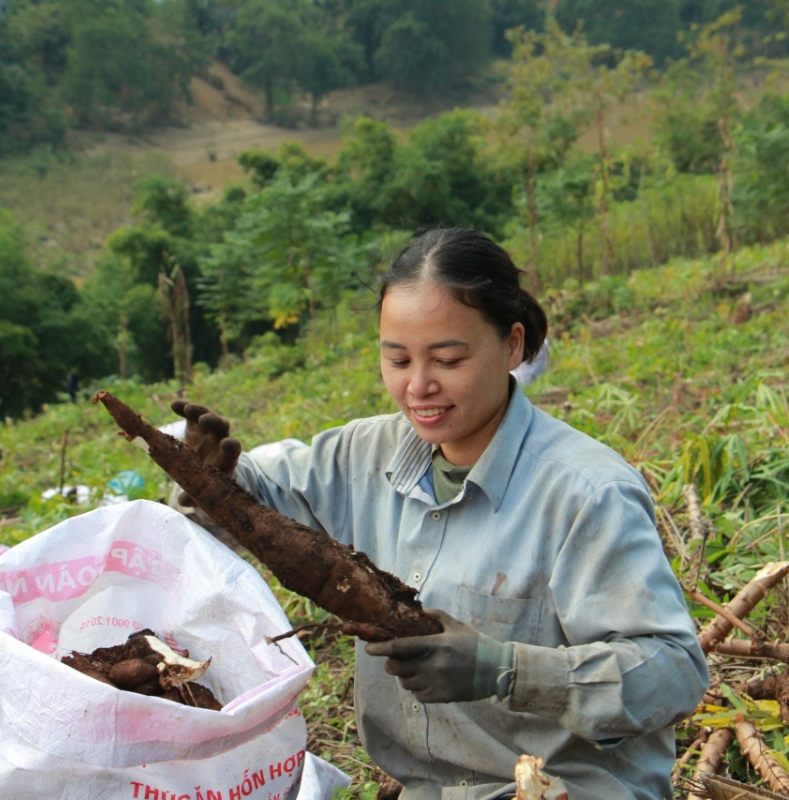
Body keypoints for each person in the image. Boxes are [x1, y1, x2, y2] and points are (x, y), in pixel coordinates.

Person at [172, 228, 708, 800]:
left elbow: (673, 672)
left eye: (448, 359)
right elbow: (258, 499)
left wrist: (503, 669)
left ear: (513, 346)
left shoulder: (585, 493)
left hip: (565, 788)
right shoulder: (363, 456)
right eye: (398, 359)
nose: (419, 386)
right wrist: (209, 482)